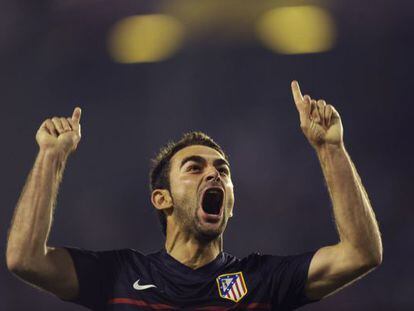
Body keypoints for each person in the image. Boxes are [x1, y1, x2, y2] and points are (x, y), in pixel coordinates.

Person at [6, 81, 382, 310]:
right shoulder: (119, 277)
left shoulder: (262, 280)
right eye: (194, 168)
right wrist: (51, 157)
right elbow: (25, 258)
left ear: (230, 205)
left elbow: (361, 254)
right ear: (162, 199)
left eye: (222, 170)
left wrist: (331, 149)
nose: (213, 173)